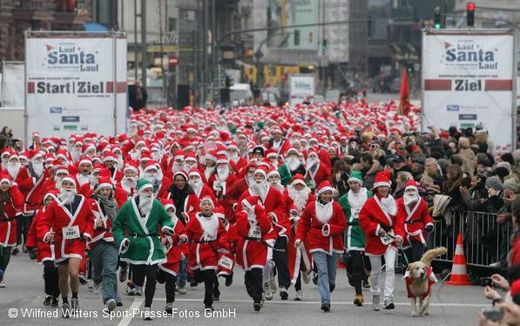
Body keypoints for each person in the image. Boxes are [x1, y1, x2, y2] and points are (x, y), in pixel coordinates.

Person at [112, 179, 174, 320]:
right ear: (139, 191)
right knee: (138, 280)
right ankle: (130, 273)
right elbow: (117, 226)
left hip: (152, 243)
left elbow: (166, 219)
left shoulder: (157, 205)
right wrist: (121, 240)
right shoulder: (128, 206)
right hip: (135, 245)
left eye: (150, 190)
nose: (149, 193)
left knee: (151, 278)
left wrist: (166, 227)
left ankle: (147, 307)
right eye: (146, 190)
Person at [37, 176, 95, 318]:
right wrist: (46, 234)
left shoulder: (82, 201)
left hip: (77, 241)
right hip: (60, 243)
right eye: (65, 184)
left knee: (74, 273)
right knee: (63, 276)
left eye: (71, 184)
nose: (68, 186)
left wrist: (87, 232)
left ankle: (74, 297)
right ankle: (65, 301)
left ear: (75, 186)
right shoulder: (55, 204)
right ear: (61, 186)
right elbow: (44, 221)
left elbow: (90, 218)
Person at [295, 181, 346, 312]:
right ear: (320, 194)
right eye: (325, 193)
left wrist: (331, 228)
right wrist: (299, 238)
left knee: (331, 275)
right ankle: (325, 300)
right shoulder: (311, 206)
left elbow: (342, 225)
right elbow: (303, 223)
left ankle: (330, 285)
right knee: (322, 271)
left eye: (329, 193)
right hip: (316, 241)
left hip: (334, 242)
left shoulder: (337, 207)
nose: (327, 196)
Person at [359, 171, 404, 311]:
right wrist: (377, 228)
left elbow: (399, 221)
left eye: (386, 187)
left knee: (390, 268)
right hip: (375, 239)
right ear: (376, 188)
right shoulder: (370, 203)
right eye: (381, 187)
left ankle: (388, 298)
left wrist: (399, 235)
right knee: (375, 271)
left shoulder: (394, 202)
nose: (384, 189)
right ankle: (376, 293)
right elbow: (363, 220)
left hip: (390, 239)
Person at [225, 196, 274, 311]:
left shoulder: (263, 217)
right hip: (245, 248)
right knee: (248, 278)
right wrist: (242, 215)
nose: (244, 208)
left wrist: (259, 212)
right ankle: (257, 295)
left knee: (256, 273)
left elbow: (266, 228)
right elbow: (241, 231)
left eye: (246, 206)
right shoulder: (243, 217)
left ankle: (257, 299)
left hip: (258, 247)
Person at [183, 196, 227, 310]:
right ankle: (194, 275)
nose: (206, 206)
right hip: (197, 249)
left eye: (208, 204)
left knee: (209, 276)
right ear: (200, 207)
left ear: (212, 207)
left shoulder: (217, 220)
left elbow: (222, 233)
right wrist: (183, 239)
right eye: (204, 204)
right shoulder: (195, 219)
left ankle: (208, 302)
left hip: (210, 250)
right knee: (198, 277)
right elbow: (187, 233)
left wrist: (222, 242)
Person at [338, 170, 372, 306]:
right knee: (356, 263)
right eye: (351, 183)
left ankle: (367, 274)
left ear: (360, 184)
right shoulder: (344, 199)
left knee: (368, 261)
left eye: (355, 183)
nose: (353, 185)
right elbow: (340, 215)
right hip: (353, 231)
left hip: (367, 230)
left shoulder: (369, 195)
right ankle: (358, 294)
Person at [88, 177, 121, 311]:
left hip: (111, 240)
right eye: (103, 189)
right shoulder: (90, 203)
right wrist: (95, 223)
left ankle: (110, 299)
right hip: (95, 240)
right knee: (98, 269)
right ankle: (96, 280)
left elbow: (118, 221)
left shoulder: (114, 203)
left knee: (110, 269)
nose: (105, 192)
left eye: (108, 189)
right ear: (98, 191)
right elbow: (85, 219)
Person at [26, 190, 60, 307]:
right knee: (49, 269)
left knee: (57, 272)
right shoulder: (40, 213)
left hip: (58, 247)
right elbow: (32, 229)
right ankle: (48, 293)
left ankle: (56, 296)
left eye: (52, 199)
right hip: (44, 246)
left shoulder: (60, 211)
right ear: (44, 201)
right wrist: (30, 245)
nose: (50, 202)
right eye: (47, 200)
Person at [157, 199, 188, 314]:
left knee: (171, 280)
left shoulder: (177, 222)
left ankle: (169, 303)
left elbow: (182, 232)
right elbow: (153, 234)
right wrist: (160, 239)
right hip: (160, 252)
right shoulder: (158, 221)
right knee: (160, 279)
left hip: (173, 254)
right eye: (167, 209)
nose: (169, 211)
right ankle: (158, 274)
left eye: (171, 209)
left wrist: (183, 237)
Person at [396, 179, 434, 263]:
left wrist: (429, 224)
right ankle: (408, 273)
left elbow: (425, 215)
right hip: (404, 231)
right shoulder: (399, 202)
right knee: (407, 258)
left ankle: (418, 273)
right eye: (408, 190)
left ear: (416, 191)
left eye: (413, 190)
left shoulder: (422, 203)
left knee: (417, 256)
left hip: (417, 230)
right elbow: (397, 218)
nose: (410, 192)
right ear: (405, 191)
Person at [0, 173, 23, 287]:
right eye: (2, 183)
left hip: (10, 226)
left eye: (6, 183)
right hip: (0, 226)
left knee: (6, 254)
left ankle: (1, 276)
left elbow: (19, 203)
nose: (4, 185)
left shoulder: (12, 195)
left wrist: (14, 188)